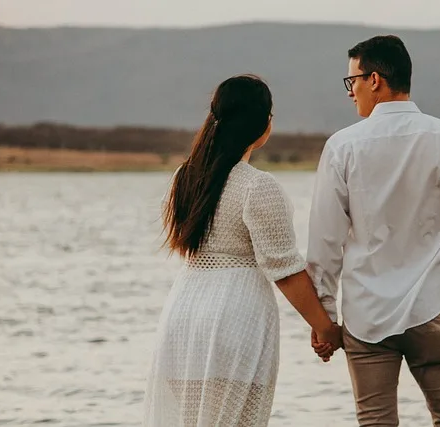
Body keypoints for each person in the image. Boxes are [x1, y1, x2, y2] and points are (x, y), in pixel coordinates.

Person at [306, 35, 440, 426]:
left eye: (353, 81)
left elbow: (324, 242)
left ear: (375, 79)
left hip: (366, 316)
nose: (351, 92)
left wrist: (323, 318)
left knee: (375, 422)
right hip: (430, 308)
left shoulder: (342, 147)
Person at [142, 74, 342, 427]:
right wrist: (325, 328)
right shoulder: (257, 186)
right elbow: (285, 269)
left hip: (183, 317)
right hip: (234, 318)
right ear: (262, 125)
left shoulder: (182, 179)